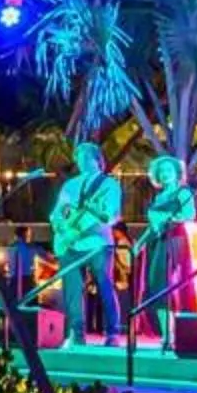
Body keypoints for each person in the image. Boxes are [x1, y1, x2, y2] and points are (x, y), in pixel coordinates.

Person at [50, 141, 125, 343]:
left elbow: (110, 215)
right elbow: (58, 212)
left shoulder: (108, 185)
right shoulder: (70, 185)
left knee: (104, 285)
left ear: (97, 160)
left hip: (97, 242)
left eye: (86, 158)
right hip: (69, 244)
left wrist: (92, 217)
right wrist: (60, 228)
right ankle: (76, 332)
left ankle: (113, 332)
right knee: (72, 290)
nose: (82, 162)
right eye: (79, 158)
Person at [136, 156, 194, 339]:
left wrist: (169, 219)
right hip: (156, 242)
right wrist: (140, 242)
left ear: (177, 173)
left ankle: (176, 334)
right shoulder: (159, 197)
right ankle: (165, 334)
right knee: (155, 287)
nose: (165, 174)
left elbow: (190, 214)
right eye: (161, 171)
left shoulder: (183, 193)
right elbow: (152, 226)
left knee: (167, 286)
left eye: (168, 170)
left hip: (173, 241)